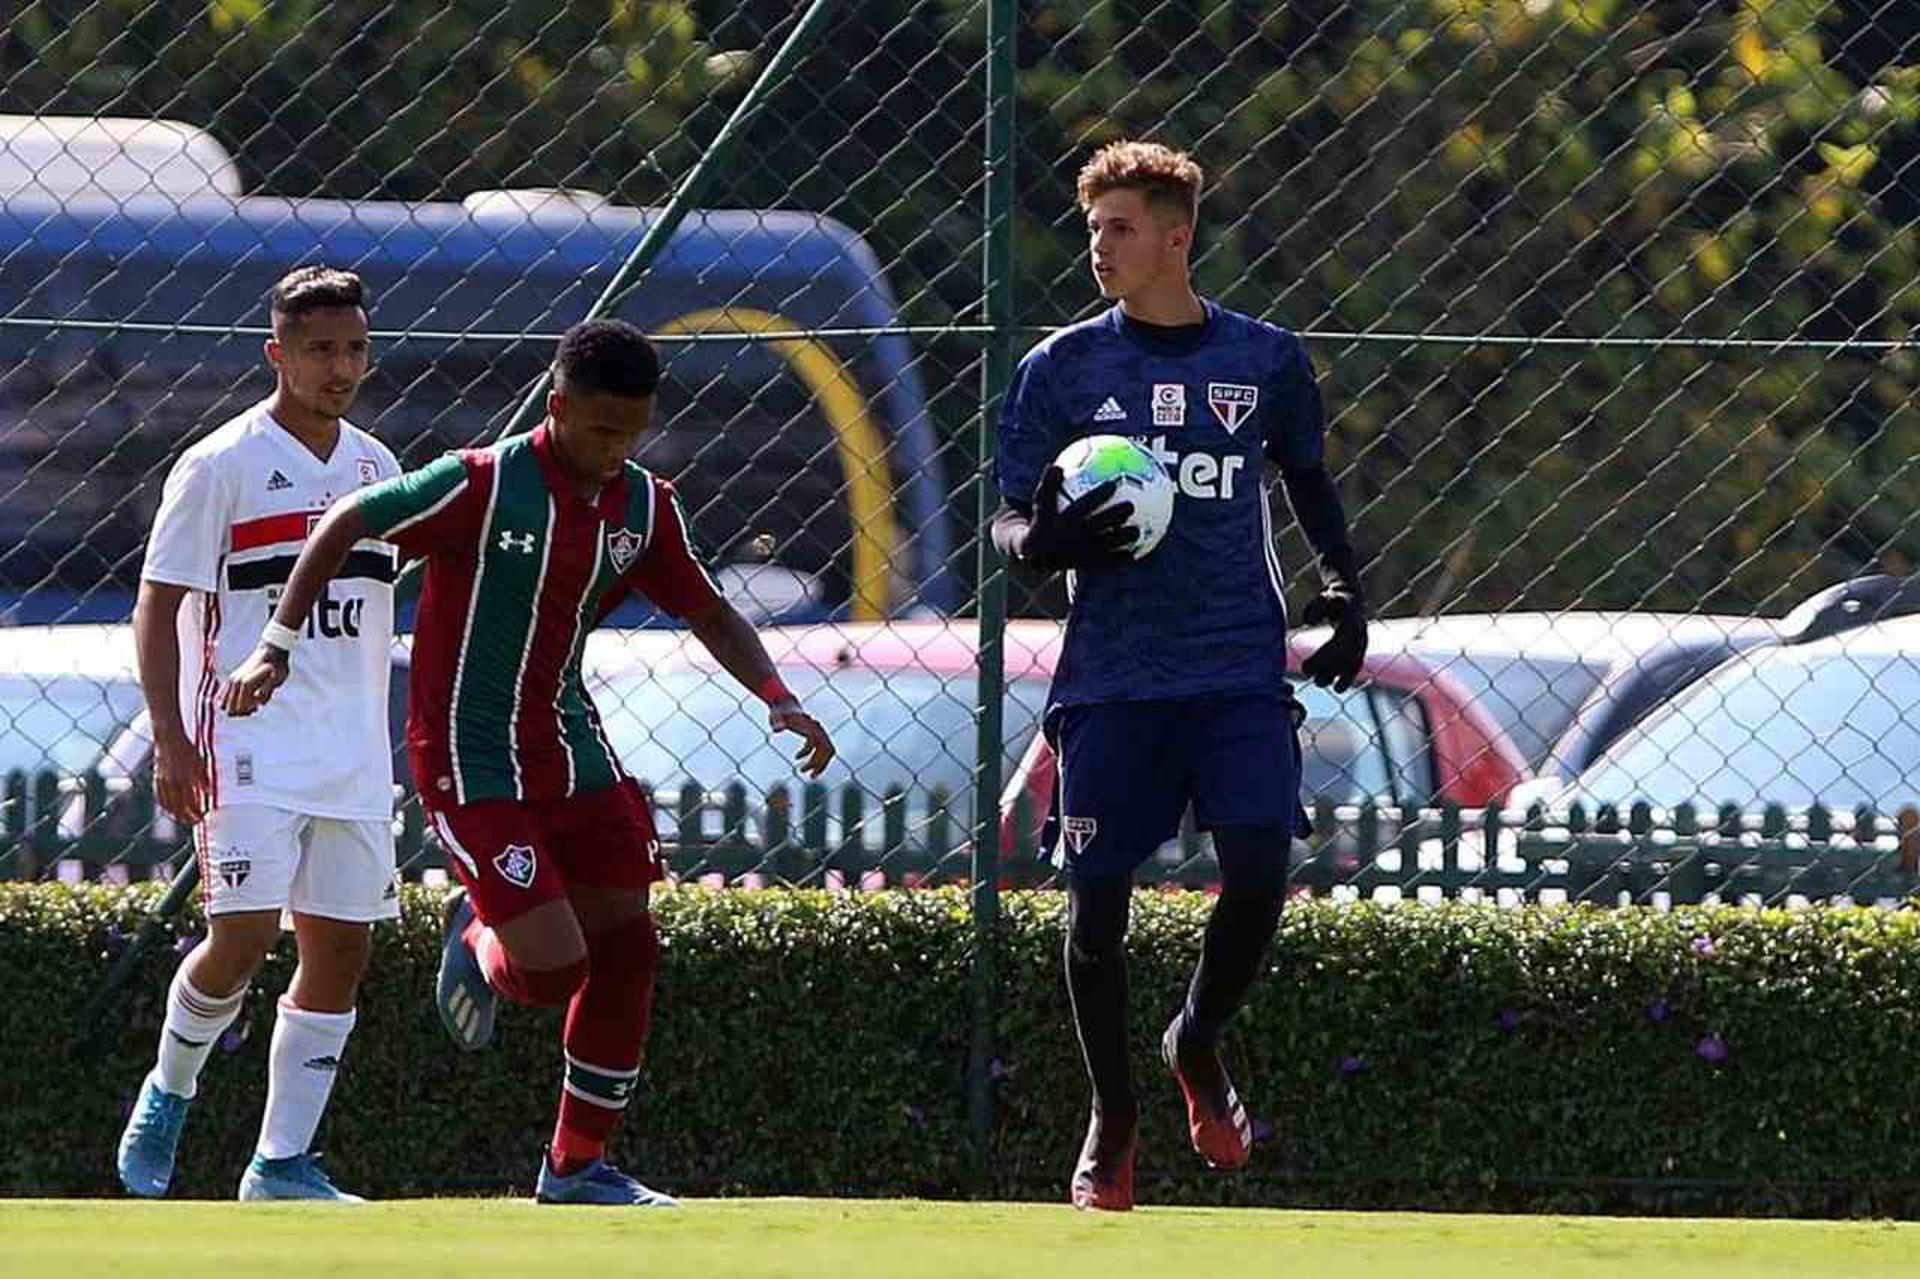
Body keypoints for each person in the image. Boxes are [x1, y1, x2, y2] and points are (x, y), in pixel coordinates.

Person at [224, 317, 837, 1205]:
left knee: (629, 941)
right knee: (553, 970)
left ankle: (576, 1165)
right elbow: (351, 518)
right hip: (469, 762)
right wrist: (277, 643)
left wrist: (778, 695)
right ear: (557, 407)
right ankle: (476, 937)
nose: (615, 448)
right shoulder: (481, 481)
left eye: (632, 432)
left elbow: (708, 610)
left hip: (570, 747)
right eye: (600, 430)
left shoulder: (645, 505)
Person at [988, 140, 1369, 1211]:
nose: (1099, 246)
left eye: (1119, 228)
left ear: (1174, 238)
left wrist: (1343, 589)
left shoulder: (1265, 360)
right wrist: (1042, 544)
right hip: (1111, 679)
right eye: (1092, 226)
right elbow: (1011, 515)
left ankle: (1195, 1040)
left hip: (1236, 670)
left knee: (1257, 874)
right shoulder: (1061, 369)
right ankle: (1113, 1115)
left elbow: (1308, 481)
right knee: (1095, 906)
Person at [117, 266, 401, 1202]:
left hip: (354, 755)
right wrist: (171, 735)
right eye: (320, 348)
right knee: (238, 936)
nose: (340, 366)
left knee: (341, 953)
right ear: (278, 353)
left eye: (354, 346)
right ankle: (170, 1089)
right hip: (249, 745)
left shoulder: (379, 468)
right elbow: (159, 608)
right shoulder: (219, 464)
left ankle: (279, 1163)